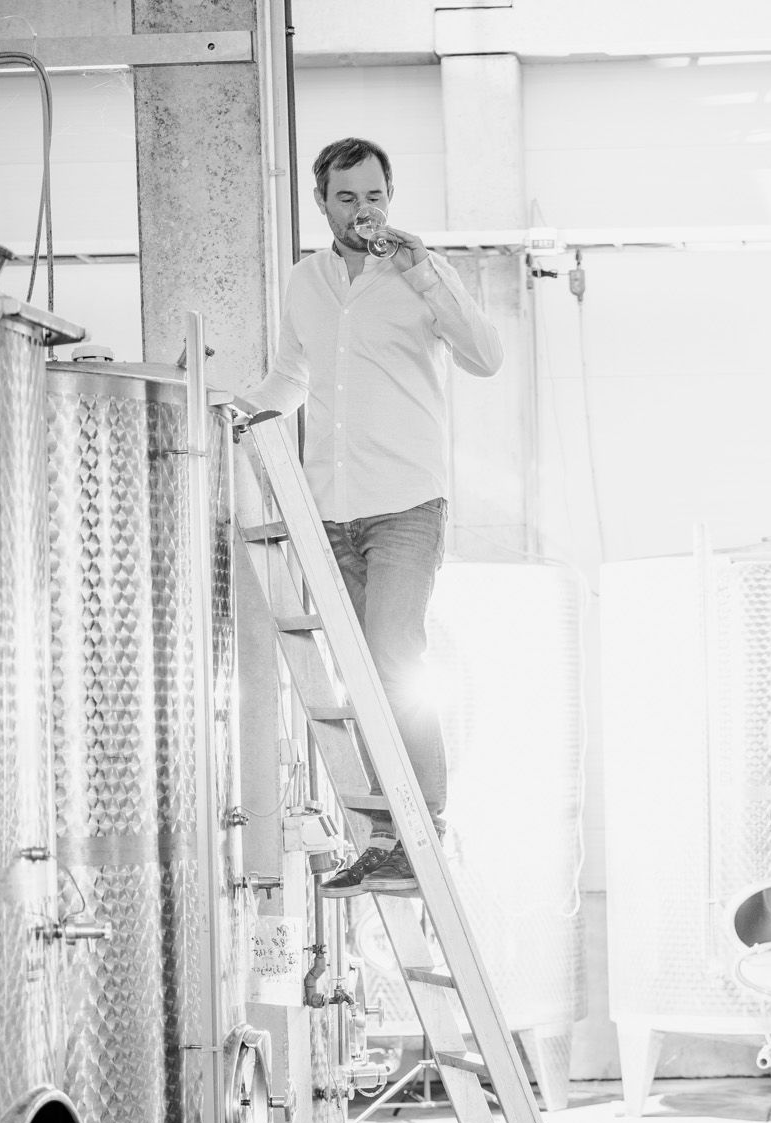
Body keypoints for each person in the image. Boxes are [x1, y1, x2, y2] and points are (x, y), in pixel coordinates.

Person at [238, 135, 504, 894]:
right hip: (330, 509)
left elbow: (484, 357)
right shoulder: (305, 282)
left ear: (391, 197)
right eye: (348, 197)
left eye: (376, 195)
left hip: (406, 504)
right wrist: (240, 410)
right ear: (322, 203)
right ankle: (388, 836)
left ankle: (428, 824)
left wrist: (425, 275)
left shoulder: (422, 275)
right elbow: (290, 377)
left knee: (395, 656)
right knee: (360, 676)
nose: (365, 211)